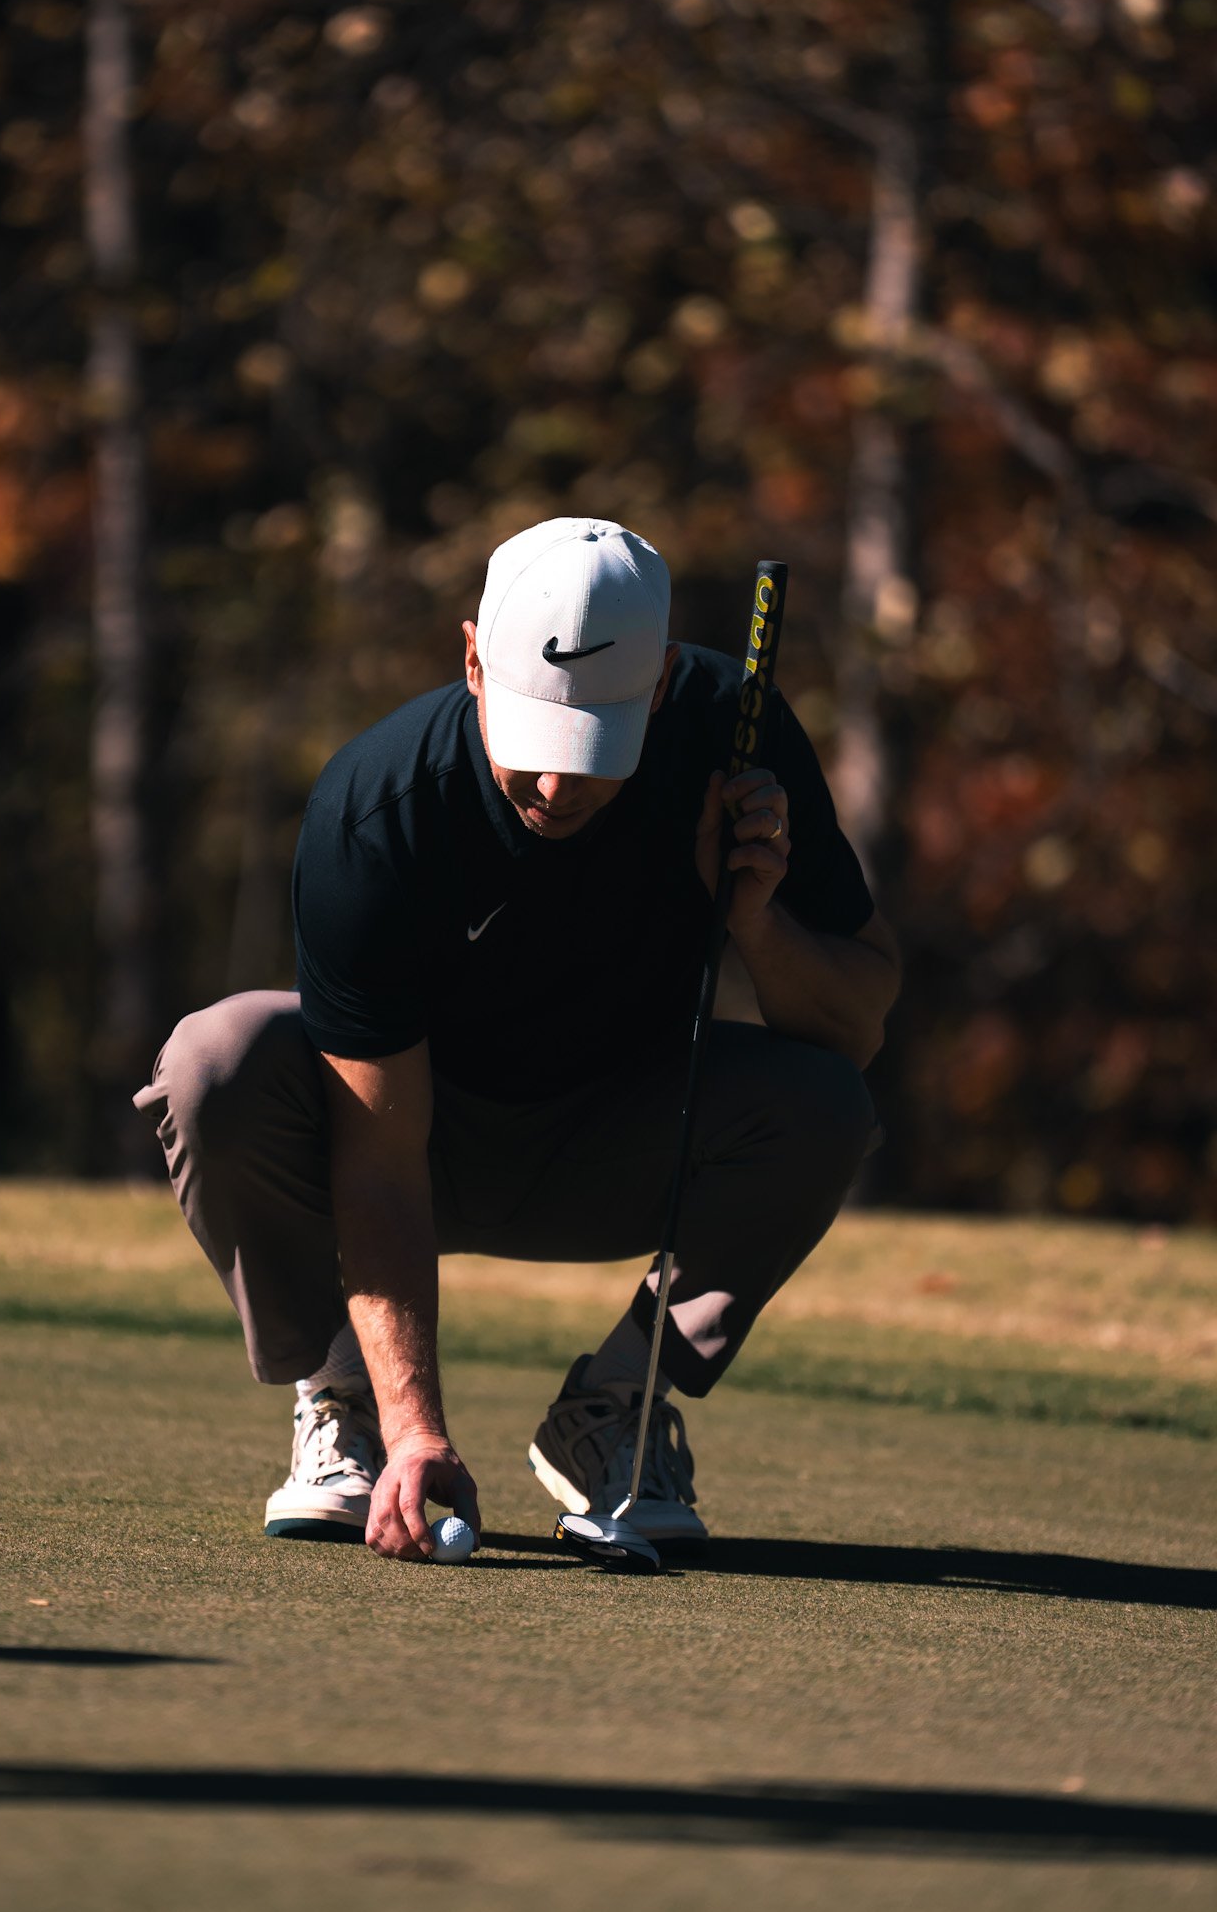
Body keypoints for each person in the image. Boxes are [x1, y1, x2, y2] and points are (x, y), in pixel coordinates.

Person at [134, 518, 900, 1564]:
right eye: (534, 743)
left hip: (619, 1142)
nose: (554, 786)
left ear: (660, 683)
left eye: (590, 750)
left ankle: (614, 1410)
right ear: (472, 662)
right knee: (215, 1061)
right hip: (412, 1144)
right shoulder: (378, 807)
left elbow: (855, 1029)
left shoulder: (734, 739)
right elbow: (381, 1160)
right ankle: (346, 1399)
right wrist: (418, 1430)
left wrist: (758, 921)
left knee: (824, 1105)